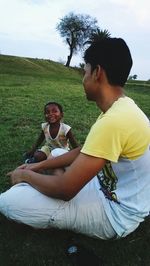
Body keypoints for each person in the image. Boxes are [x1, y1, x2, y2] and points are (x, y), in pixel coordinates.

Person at [0, 37, 150, 240]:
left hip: (116, 212)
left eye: (85, 71)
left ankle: (49, 191)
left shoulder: (115, 120)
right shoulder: (121, 107)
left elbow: (66, 190)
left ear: (97, 73)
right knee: (56, 153)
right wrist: (34, 167)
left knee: (8, 201)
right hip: (103, 185)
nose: (83, 78)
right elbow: (85, 150)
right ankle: (52, 182)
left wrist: (24, 176)